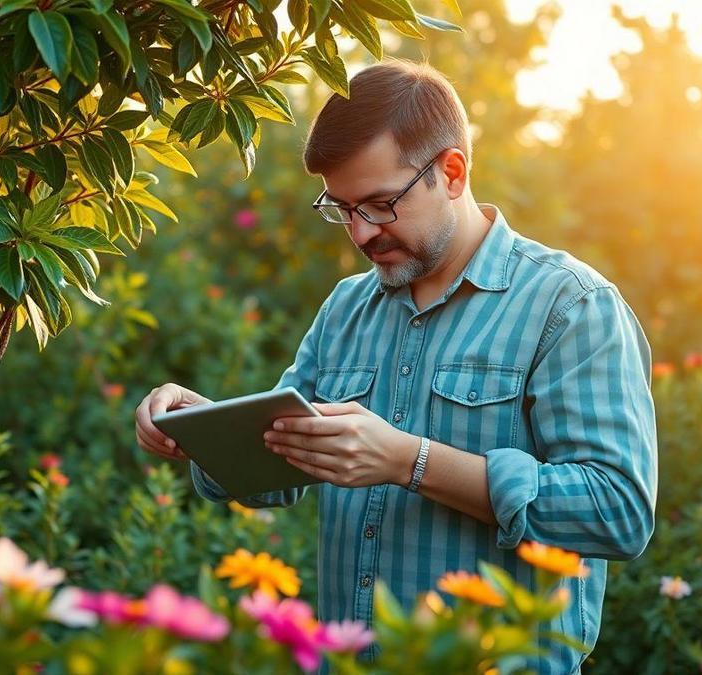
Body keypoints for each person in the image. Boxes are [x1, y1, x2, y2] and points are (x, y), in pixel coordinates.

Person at [134, 58, 657, 674]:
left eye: (381, 205)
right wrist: (202, 429)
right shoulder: (346, 308)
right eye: (342, 208)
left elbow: (618, 510)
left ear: (452, 172)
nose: (360, 234)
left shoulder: (569, 306)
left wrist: (412, 462)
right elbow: (280, 463)